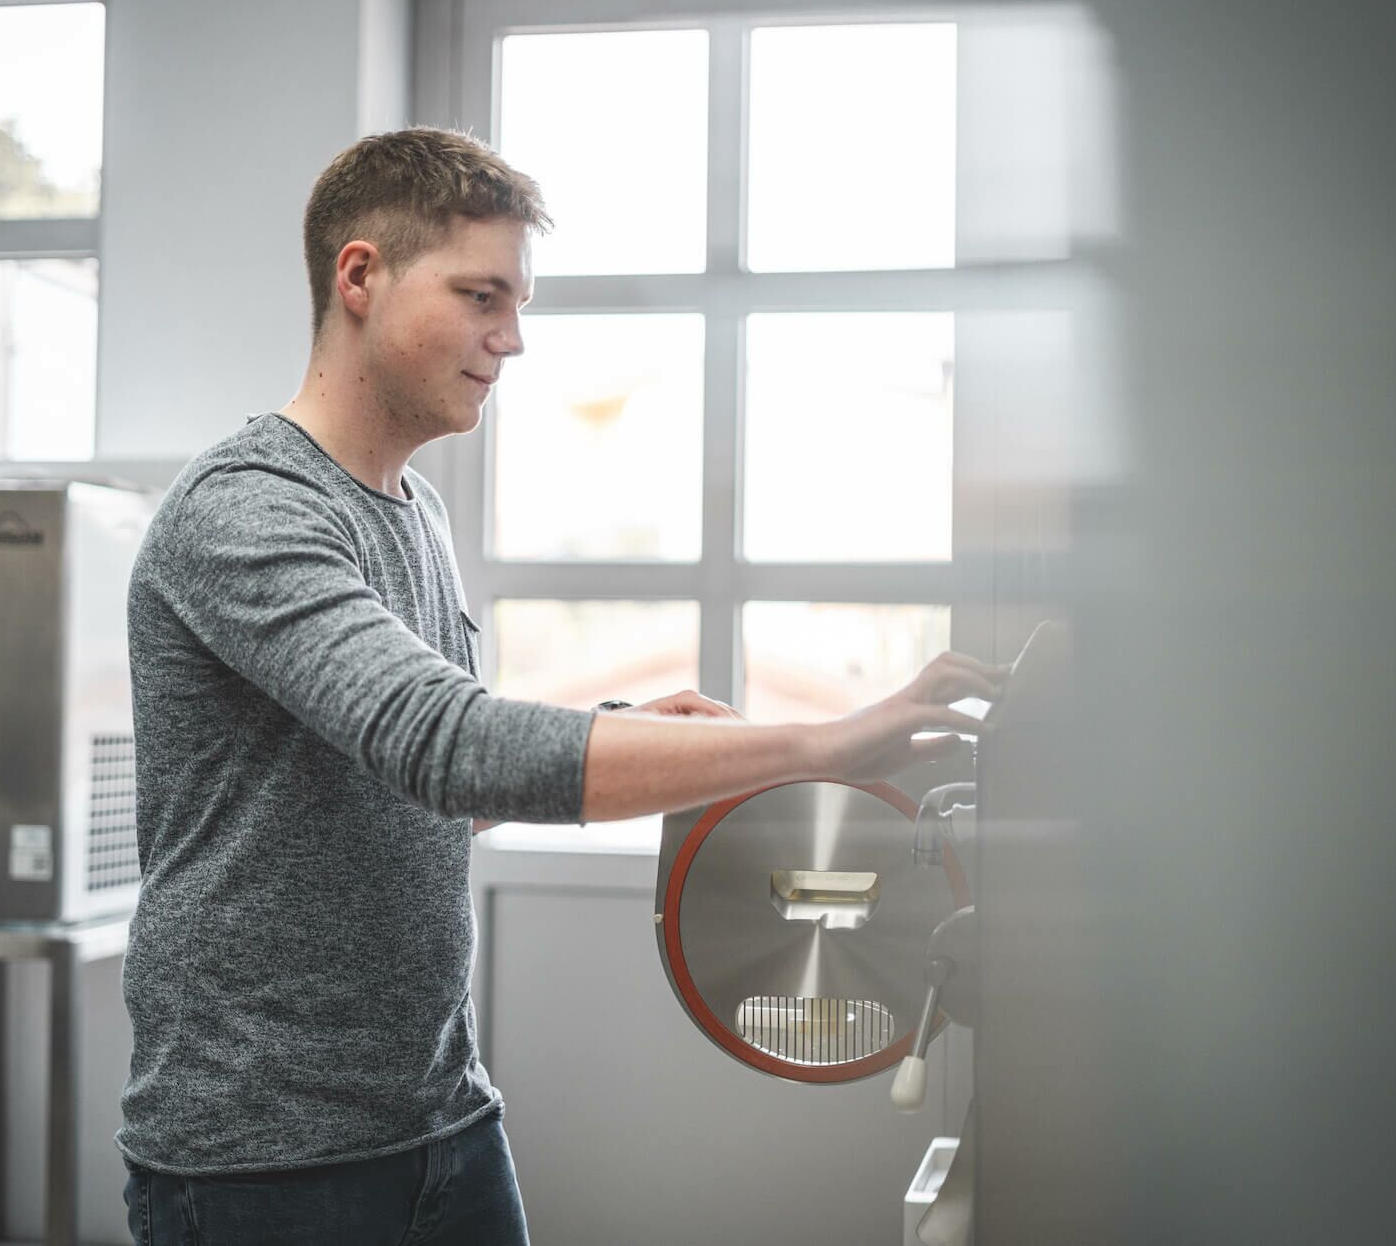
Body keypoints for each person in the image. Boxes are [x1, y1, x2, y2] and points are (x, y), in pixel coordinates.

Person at [116, 126, 1002, 1246]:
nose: (512, 338)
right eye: (481, 295)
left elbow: (420, 787)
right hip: (261, 1158)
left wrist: (624, 734)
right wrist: (823, 743)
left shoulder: (413, 512)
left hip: (439, 1115)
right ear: (358, 277)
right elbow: (445, 744)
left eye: (517, 302)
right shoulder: (245, 510)